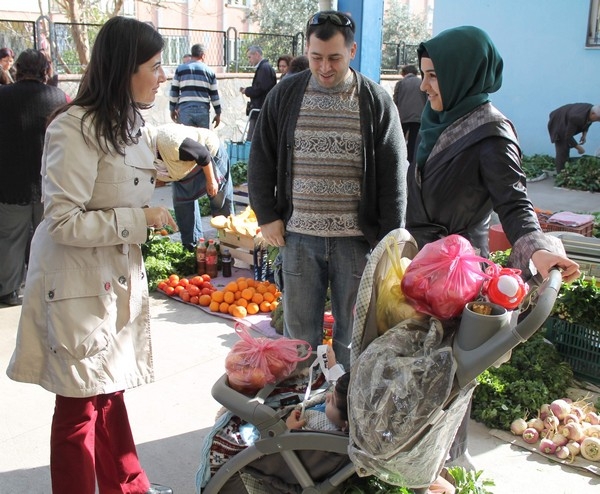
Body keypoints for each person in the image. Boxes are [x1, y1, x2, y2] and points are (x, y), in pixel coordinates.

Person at [6, 16, 176, 494]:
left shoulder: (127, 122)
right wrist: (140, 221)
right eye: (155, 66)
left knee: (108, 391)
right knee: (79, 407)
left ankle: (128, 486)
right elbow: (63, 219)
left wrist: (172, 165)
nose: (162, 76)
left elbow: (118, 181)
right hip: (77, 285)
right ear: (125, 70)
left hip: (111, 279)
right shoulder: (74, 126)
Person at [409, 25, 580, 470]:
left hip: (459, 279)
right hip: (422, 266)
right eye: (423, 73)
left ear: (464, 74)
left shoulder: (491, 134)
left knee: (450, 378)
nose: (423, 84)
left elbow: (516, 205)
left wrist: (537, 251)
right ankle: (413, 463)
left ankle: (444, 467)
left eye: (432, 75)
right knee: (417, 373)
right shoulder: (436, 120)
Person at [247, 10, 408, 368]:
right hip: (299, 239)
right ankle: (299, 411)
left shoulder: (376, 101)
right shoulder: (286, 93)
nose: (324, 67)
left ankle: (346, 408)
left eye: (334, 58)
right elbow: (260, 156)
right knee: (298, 337)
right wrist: (267, 215)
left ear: (351, 52)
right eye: (317, 57)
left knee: (354, 337)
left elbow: (393, 177)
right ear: (307, 49)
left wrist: (389, 242)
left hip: (356, 243)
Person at [0, 49, 68, 307]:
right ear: (45, 71)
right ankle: (48, 288)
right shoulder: (59, 98)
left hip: (8, 184)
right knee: (49, 238)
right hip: (48, 183)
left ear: (17, 69)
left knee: (9, 240)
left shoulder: (2, 95)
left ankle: (7, 290)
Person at [152, 122, 234, 250]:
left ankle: (229, 244)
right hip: (181, 170)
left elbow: (203, 154)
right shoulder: (140, 156)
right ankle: (194, 247)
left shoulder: (170, 142)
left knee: (218, 200)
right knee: (182, 205)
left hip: (208, 155)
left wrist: (211, 181)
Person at [170, 43, 222, 129]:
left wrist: (172, 109)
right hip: (203, 109)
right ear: (203, 55)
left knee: (186, 140)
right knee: (202, 139)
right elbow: (214, 95)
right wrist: (218, 113)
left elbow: (174, 92)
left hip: (185, 109)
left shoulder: (180, 69)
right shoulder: (210, 72)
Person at [547, 103, 600, 174]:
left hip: (568, 118)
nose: (599, 121)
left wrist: (584, 135)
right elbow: (568, 137)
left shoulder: (592, 109)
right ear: (593, 114)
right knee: (562, 149)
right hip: (558, 122)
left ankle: (565, 168)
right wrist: (579, 148)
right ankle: (560, 174)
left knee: (568, 144)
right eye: (599, 118)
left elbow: (589, 122)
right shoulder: (577, 117)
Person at [239, 45, 276, 141]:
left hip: (260, 109)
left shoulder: (264, 68)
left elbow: (260, 89)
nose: (249, 60)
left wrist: (247, 91)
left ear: (256, 54)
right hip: (260, 108)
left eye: (249, 57)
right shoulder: (264, 68)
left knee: (253, 139)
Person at [393, 64, 427, 165]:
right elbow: (426, 100)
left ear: (404, 73)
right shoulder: (421, 83)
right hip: (418, 117)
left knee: (399, 139)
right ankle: (411, 161)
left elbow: (395, 100)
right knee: (413, 141)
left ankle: (398, 159)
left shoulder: (400, 83)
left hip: (403, 117)